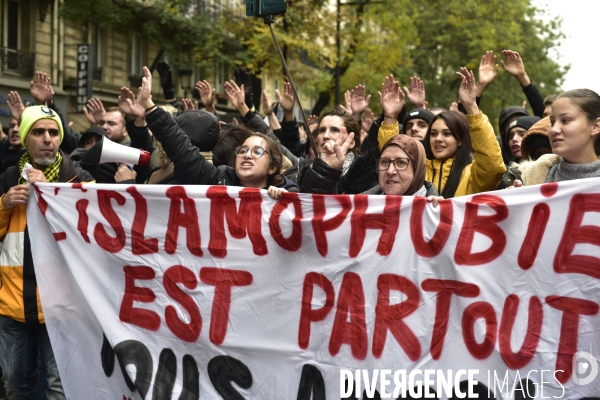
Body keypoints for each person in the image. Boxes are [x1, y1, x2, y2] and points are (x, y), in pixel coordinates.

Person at [0, 106, 93, 400]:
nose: (47, 139)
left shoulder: (80, 179)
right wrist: (4, 204)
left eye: (53, 132)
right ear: (26, 138)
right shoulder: (7, 177)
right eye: (38, 132)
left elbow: (92, 238)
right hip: (12, 305)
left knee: (59, 388)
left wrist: (53, 194)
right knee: (15, 386)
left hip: (62, 307)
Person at [136, 66, 297, 198]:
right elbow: (181, 149)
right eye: (243, 150)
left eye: (258, 151)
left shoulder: (285, 192)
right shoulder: (217, 179)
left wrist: (287, 199)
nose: (247, 155)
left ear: (272, 167)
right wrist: (149, 105)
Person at [380, 68, 505, 198]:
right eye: (433, 134)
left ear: (460, 139)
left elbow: (492, 166)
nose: (438, 139)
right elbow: (392, 153)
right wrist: (390, 116)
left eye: (446, 134)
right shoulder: (417, 170)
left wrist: (471, 107)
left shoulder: (473, 174)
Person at [511, 89, 600, 187]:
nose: (554, 130)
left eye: (565, 120)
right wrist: (515, 198)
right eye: (552, 122)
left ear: (596, 126)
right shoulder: (533, 176)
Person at [363, 134, 440, 203]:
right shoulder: (362, 207)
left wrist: (440, 213)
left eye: (401, 162)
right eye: (385, 162)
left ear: (417, 170)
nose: (390, 171)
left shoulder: (434, 212)